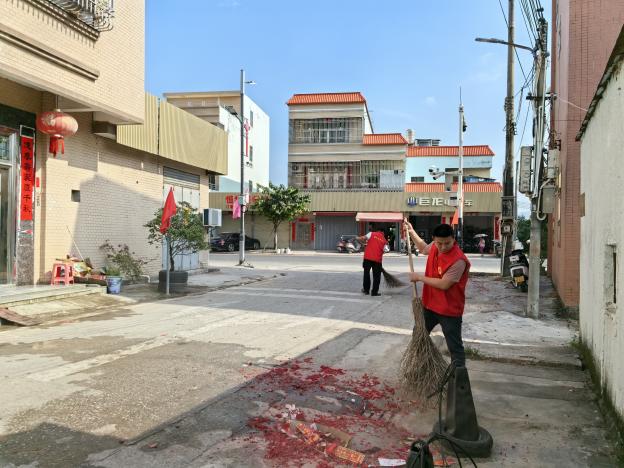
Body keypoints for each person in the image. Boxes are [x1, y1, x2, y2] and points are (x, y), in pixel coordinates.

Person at [405, 219, 470, 367]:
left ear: (453, 239)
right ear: (434, 239)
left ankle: (459, 376)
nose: (443, 247)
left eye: (447, 243)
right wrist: (411, 231)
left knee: (455, 347)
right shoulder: (434, 246)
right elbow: (423, 248)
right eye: (439, 243)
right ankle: (421, 367)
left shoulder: (458, 260)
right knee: (419, 335)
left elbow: (444, 284)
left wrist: (419, 277)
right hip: (429, 306)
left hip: (449, 310)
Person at [356, 223, 388, 296]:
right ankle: (374, 292)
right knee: (377, 276)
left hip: (367, 258)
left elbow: (362, 238)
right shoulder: (384, 240)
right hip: (377, 260)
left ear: (377, 230)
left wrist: (357, 238)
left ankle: (366, 290)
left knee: (366, 274)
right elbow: (386, 250)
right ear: (383, 232)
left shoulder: (371, 234)